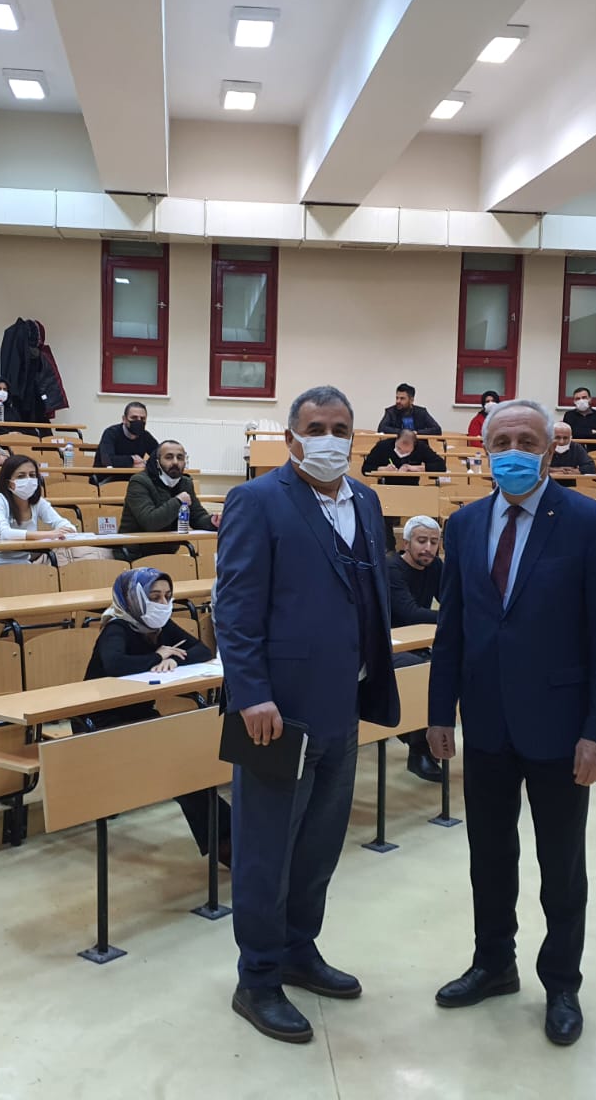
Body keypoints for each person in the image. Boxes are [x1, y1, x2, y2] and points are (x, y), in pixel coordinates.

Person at [426, 397, 596, 1049]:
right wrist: (439, 712)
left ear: (550, 450)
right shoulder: (464, 525)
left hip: (561, 728)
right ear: (484, 450)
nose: (513, 451)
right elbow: (452, 627)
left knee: (560, 865)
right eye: (502, 441)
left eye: (527, 441)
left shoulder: (590, 522)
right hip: (486, 722)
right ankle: (494, 964)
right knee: (489, 856)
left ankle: (562, 983)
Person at [214, 384, 400, 1045]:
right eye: (315, 427)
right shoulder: (256, 500)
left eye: (340, 428)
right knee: (265, 850)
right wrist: (251, 693)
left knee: (319, 845)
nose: (329, 438)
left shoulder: (367, 501)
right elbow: (234, 607)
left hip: (342, 707)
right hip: (276, 713)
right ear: (291, 437)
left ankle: (298, 948)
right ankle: (258, 977)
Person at [82, 568, 231, 859]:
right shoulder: (117, 627)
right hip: (99, 723)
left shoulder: (158, 626)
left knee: (187, 767)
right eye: (154, 597)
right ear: (134, 599)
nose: (163, 603)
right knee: (180, 771)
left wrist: (173, 660)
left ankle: (228, 839)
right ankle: (228, 842)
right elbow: (115, 665)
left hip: (140, 718)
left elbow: (201, 651)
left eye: (167, 596)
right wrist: (156, 657)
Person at [389, 514, 443, 782]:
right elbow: (409, 613)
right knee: (422, 672)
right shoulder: (392, 569)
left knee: (446, 665)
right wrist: (453, 617)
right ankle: (418, 748)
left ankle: (422, 739)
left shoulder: (435, 566)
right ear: (406, 543)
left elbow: (449, 599)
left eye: (434, 542)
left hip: (418, 642)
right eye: (422, 541)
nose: (428, 548)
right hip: (388, 646)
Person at [118, 439, 217, 558]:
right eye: (169, 457)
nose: (175, 462)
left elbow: (197, 517)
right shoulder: (139, 482)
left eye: (180, 458)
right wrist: (178, 501)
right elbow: (150, 522)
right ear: (157, 461)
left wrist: (212, 521)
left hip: (167, 553)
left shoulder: (185, 483)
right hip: (133, 554)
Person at [0, 454, 76, 569]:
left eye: (32, 475)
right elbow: (4, 534)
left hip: (24, 565)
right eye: (21, 476)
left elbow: (65, 524)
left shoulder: (38, 502)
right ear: (8, 482)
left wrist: (66, 531)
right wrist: (49, 534)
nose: (28, 480)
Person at [94, 402, 159, 483]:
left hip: (133, 480)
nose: (138, 421)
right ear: (124, 419)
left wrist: (145, 463)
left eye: (142, 419)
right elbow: (107, 460)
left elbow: (160, 456)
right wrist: (132, 460)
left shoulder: (145, 436)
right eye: (134, 418)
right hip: (106, 480)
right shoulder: (111, 433)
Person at [361, 428, 446, 484]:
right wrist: (383, 469)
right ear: (396, 440)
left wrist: (414, 468)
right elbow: (366, 468)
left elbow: (441, 466)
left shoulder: (421, 447)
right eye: (399, 448)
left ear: (414, 445)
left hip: (412, 488)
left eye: (407, 451)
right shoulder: (383, 445)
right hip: (385, 486)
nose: (402, 452)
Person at [377, 383, 442, 436]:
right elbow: (381, 428)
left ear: (411, 400)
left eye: (402, 398)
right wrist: (404, 432)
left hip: (418, 445)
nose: (398, 401)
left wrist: (417, 432)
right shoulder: (390, 412)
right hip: (396, 445)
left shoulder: (421, 412)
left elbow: (437, 429)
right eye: (397, 398)